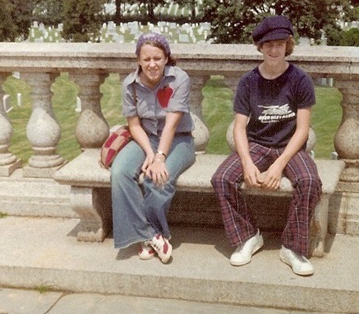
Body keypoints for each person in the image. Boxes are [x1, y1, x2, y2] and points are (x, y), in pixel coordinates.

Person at [211, 15, 322, 276]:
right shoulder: (248, 81)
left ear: (288, 46)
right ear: (260, 47)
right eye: (268, 44)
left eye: (280, 44)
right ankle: (248, 236)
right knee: (222, 179)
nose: (274, 50)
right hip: (257, 144)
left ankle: (292, 248)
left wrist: (279, 165)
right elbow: (239, 127)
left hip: (289, 147)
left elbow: (302, 130)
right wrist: (247, 162)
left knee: (309, 182)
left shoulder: (300, 80)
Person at [111, 33, 195, 263]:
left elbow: (171, 125)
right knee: (120, 172)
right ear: (138, 60)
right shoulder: (130, 85)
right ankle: (151, 235)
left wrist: (159, 158)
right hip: (145, 139)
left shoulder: (179, 79)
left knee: (158, 179)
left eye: (157, 58)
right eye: (146, 59)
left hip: (178, 140)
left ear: (166, 58)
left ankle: (151, 235)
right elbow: (134, 125)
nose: (152, 64)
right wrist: (149, 152)